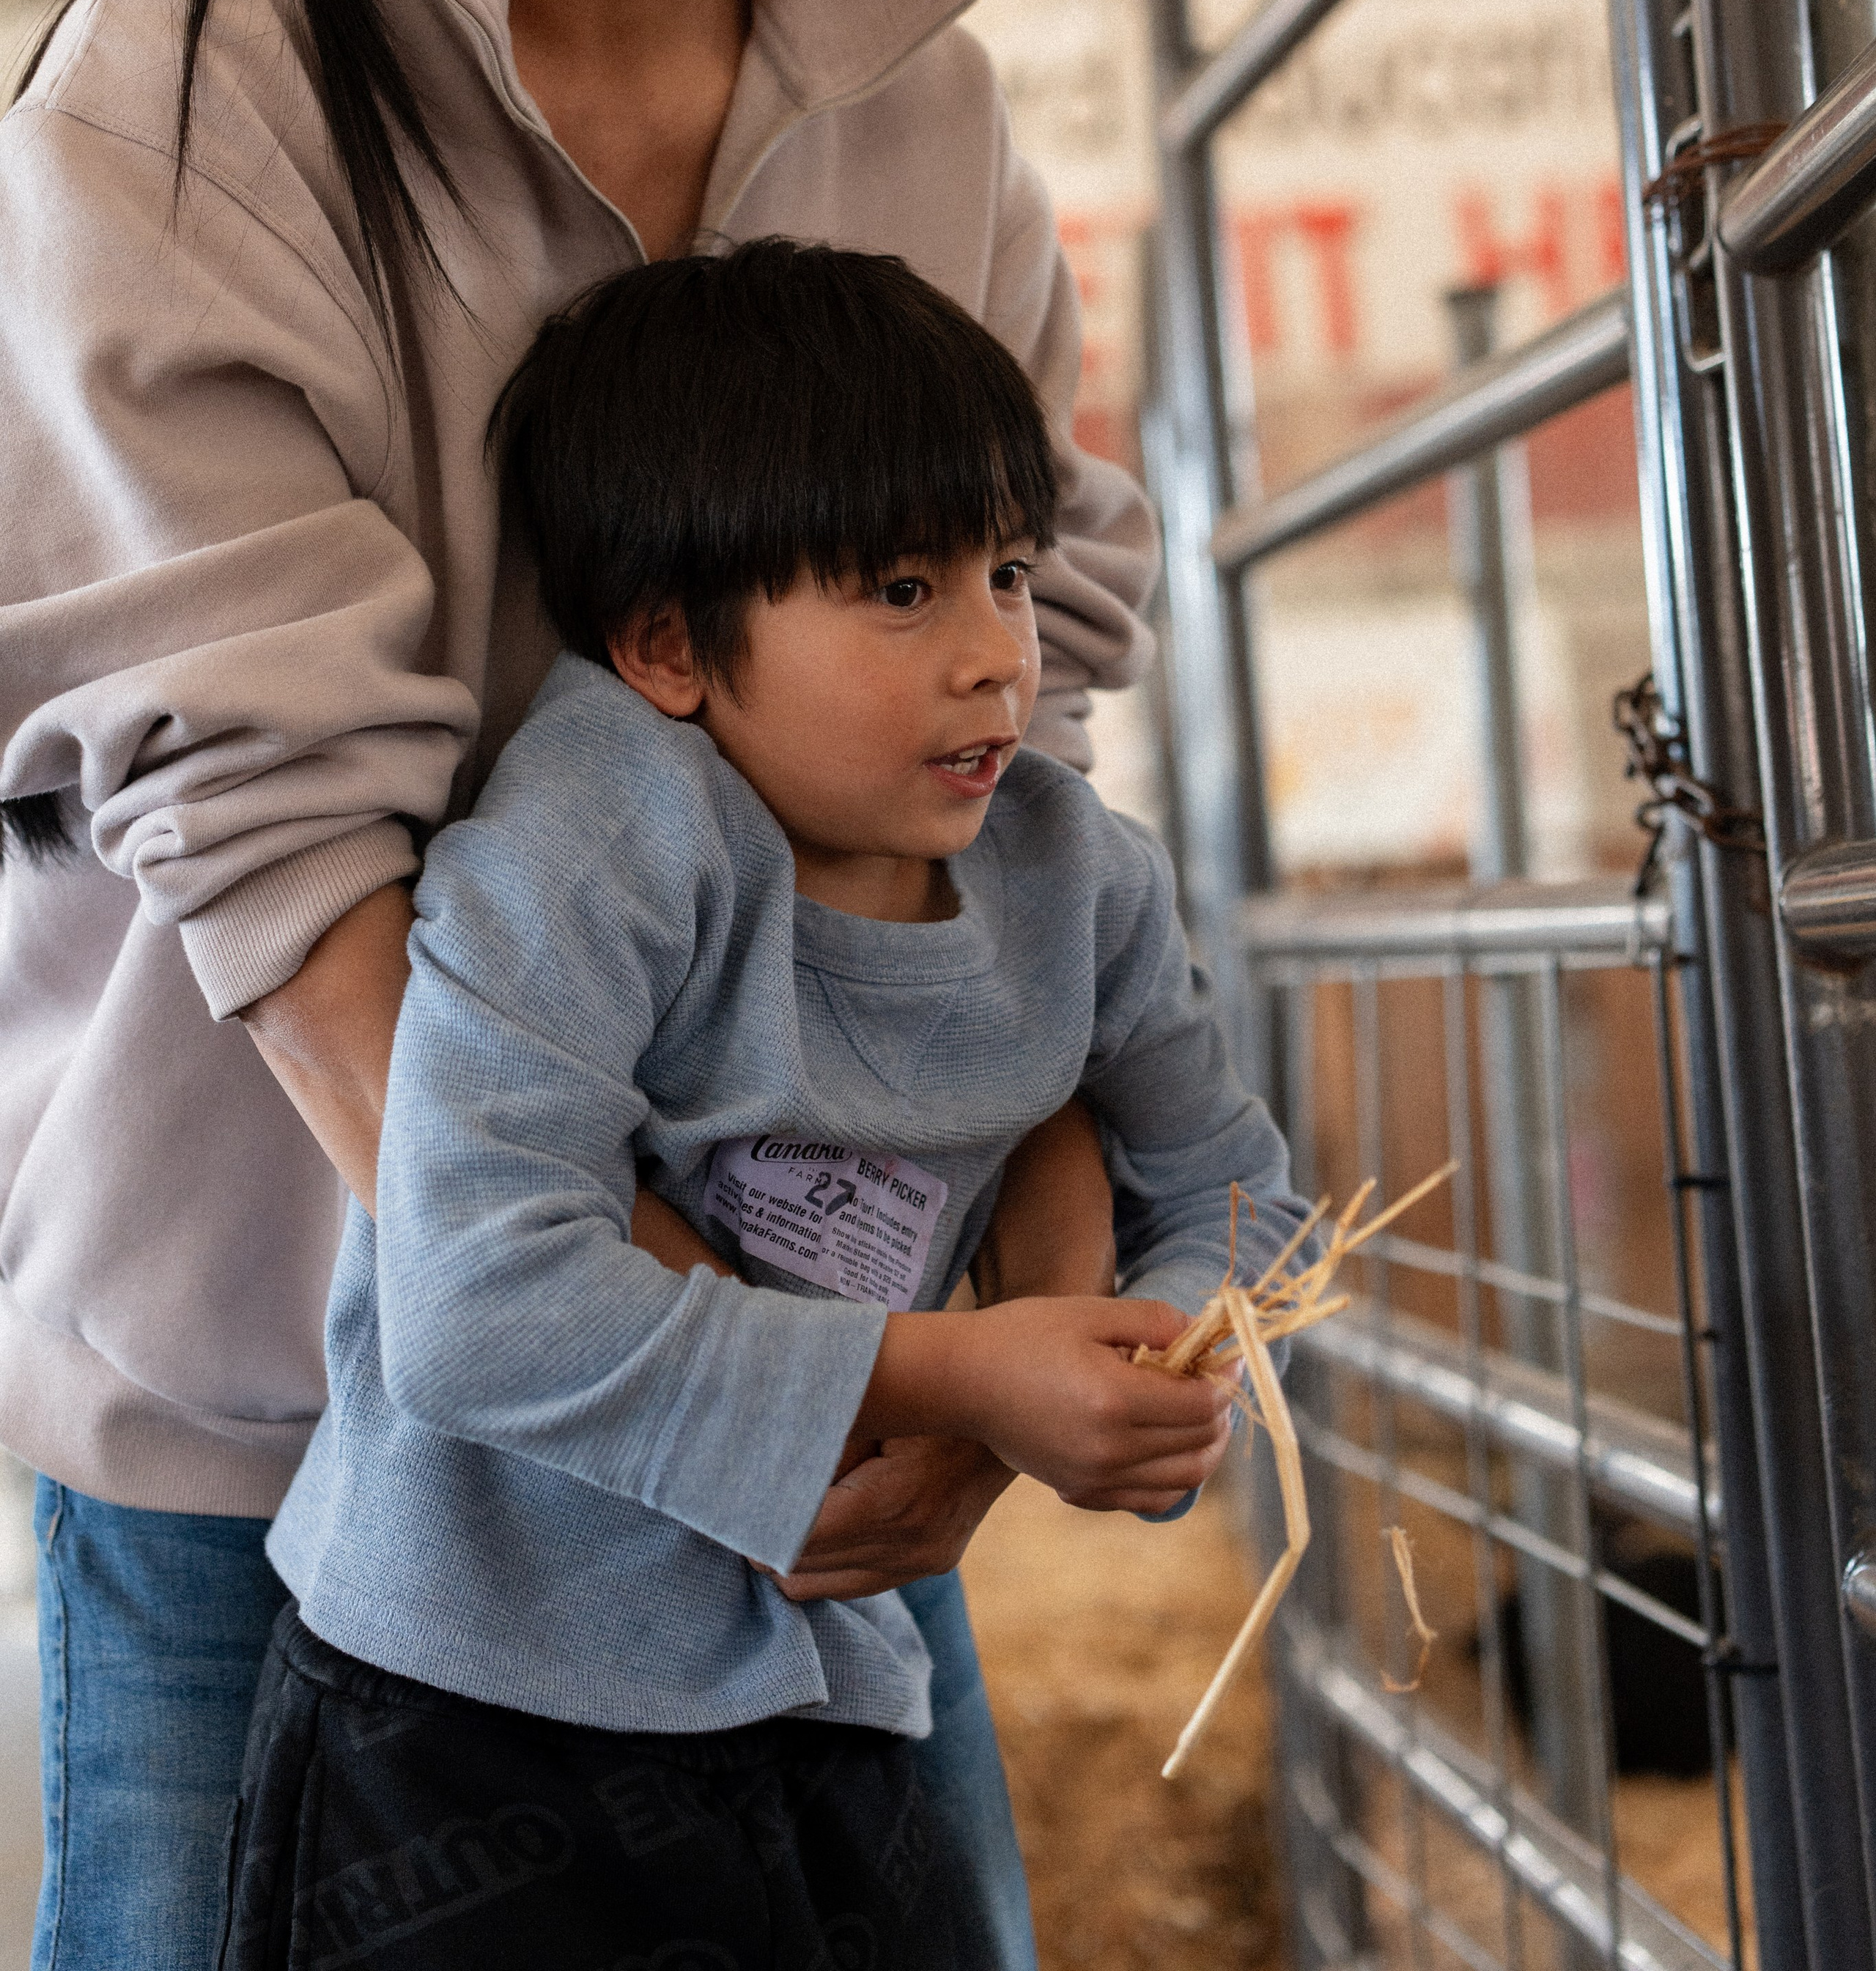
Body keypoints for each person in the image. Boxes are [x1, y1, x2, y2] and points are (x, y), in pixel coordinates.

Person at [0, 0, 1161, 1971]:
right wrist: (763, 1388)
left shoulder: (925, 114)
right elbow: (273, 821)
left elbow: (1033, 700)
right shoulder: (177, 90)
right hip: (286, 1416)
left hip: (832, 1436)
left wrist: (1004, 1349)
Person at [221, 242, 1307, 1970]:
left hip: (827, 1686)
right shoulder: (593, 842)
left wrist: (1151, 1356)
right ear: (666, 644)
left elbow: (1236, 1193)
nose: (994, 660)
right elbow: (477, 1304)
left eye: (1007, 573)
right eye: (898, 587)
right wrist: (966, 1373)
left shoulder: (1073, 879)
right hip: (466, 1715)